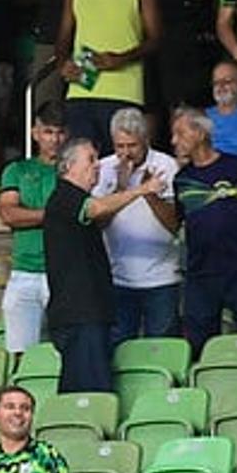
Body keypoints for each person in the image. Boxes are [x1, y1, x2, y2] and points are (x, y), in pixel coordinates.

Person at [44, 139, 161, 393]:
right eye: (91, 159)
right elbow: (96, 209)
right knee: (89, 394)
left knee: (83, 387)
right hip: (79, 314)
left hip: (87, 312)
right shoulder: (66, 196)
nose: (97, 166)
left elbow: (101, 217)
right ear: (69, 166)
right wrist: (141, 190)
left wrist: (121, 186)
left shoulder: (72, 200)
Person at [171, 106, 237, 356]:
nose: (174, 140)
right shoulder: (181, 180)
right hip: (201, 275)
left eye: (180, 133)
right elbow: (178, 223)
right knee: (199, 346)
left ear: (200, 133)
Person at [92, 109, 182, 346]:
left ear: (145, 140)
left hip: (162, 278)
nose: (125, 153)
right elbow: (98, 222)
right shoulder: (103, 168)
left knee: (161, 349)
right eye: (119, 146)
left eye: (132, 146)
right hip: (118, 278)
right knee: (120, 349)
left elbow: (175, 224)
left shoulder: (166, 165)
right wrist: (121, 189)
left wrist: (151, 195)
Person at [55, 0, 159, 154]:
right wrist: (62, 64)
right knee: (80, 165)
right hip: (80, 91)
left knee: (122, 166)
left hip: (125, 94)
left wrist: (122, 59)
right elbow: (63, 36)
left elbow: (156, 39)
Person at [0, 103, 68, 356]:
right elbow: (8, 213)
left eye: (60, 132)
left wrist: (30, 215)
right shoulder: (17, 170)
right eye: (48, 132)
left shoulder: (76, 171)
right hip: (24, 271)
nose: (55, 139)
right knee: (20, 353)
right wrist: (54, 215)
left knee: (64, 350)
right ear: (35, 133)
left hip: (64, 272)